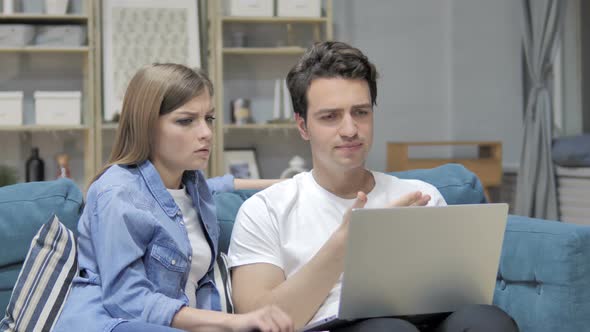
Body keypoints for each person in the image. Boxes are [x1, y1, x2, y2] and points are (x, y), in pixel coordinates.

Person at [228, 42, 519, 332]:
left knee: (488, 321)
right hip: (334, 326)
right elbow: (257, 322)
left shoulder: (418, 195)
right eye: (330, 116)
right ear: (303, 126)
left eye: (361, 113)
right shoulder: (265, 210)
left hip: (425, 322)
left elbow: (459, 294)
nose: (350, 130)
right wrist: (345, 245)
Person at [54, 63, 293, 332]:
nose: (206, 132)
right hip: (113, 324)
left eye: (209, 118)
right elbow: (127, 300)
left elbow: (222, 185)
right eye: (186, 120)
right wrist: (232, 321)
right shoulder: (117, 192)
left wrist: (296, 182)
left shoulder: (192, 184)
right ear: (147, 126)